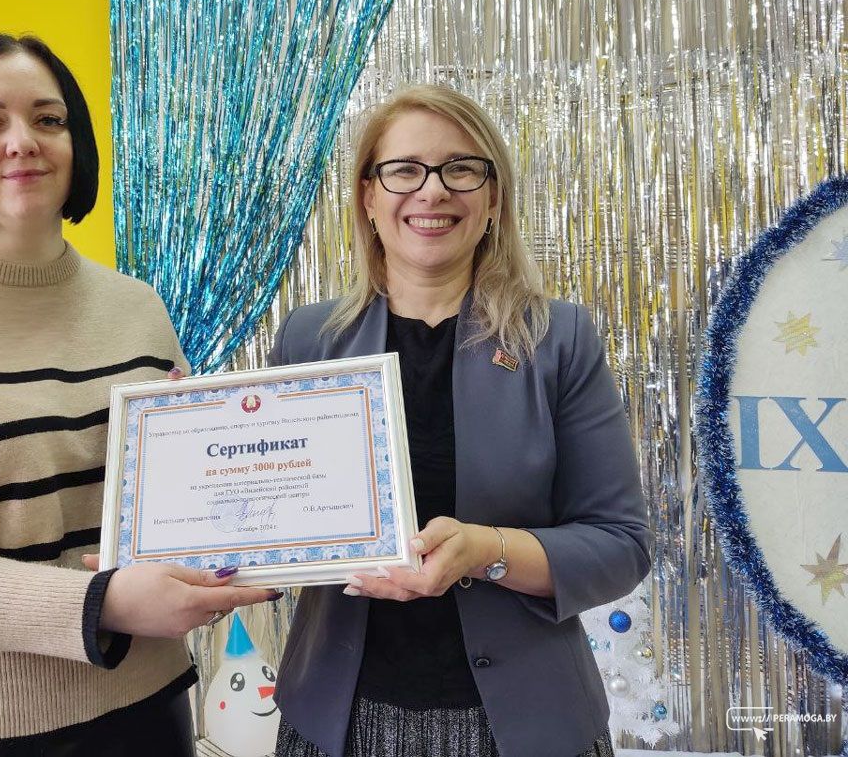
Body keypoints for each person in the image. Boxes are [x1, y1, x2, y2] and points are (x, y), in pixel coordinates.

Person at [0, 33, 278, 757]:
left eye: (48, 118)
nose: (22, 141)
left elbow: (178, 502)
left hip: (147, 701)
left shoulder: (137, 308)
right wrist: (102, 604)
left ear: (76, 142)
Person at [268, 85, 651, 757]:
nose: (433, 190)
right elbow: (271, 519)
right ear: (368, 196)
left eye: (461, 169)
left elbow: (621, 545)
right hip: (336, 720)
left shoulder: (558, 340)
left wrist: (484, 551)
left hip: (524, 725)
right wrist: (193, 468)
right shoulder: (310, 340)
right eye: (405, 169)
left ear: (493, 197)